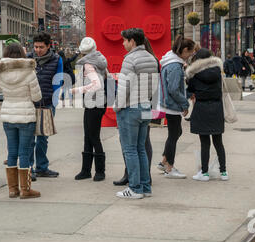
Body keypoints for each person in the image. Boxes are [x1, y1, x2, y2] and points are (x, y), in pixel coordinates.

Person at [0, 43, 42, 199]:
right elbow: (37, 97)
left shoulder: (0, 73)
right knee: (24, 153)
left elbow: (0, 92)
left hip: (8, 114)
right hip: (26, 115)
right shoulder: (29, 72)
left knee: (11, 152)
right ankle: (25, 189)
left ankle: (13, 189)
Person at [113, 28, 158, 199]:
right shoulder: (151, 58)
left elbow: (124, 88)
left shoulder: (129, 59)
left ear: (132, 41)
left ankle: (135, 188)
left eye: (124, 41)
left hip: (130, 108)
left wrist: (117, 107)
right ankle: (145, 186)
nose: (123, 44)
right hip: (146, 107)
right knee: (141, 148)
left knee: (130, 149)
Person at [186, 48, 228, 182]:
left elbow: (190, 89)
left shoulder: (194, 74)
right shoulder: (217, 72)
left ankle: (204, 173)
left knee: (204, 143)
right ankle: (224, 172)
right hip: (216, 107)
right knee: (218, 142)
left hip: (202, 108)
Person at [156, 37, 196, 179]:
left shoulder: (170, 61)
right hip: (171, 105)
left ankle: (164, 162)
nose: (190, 56)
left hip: (168, 103)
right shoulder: (174, 66)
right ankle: (169, 167)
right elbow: (174, 89)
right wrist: (184, 104)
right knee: (174, 134)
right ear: (184, 50)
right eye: (190, 53)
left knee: (176, 132)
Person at [27, 32, 63, 180]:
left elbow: (59, 80)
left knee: (43, 137)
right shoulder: (28, 59)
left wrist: (54, 101)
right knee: (29, 138)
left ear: (49, 46)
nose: (38, 50)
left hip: (47, 103)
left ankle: (42, 167)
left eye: (41, 47)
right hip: (29, 103)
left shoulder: (56, 59)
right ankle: (28, 168)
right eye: (36, 47)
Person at [71, 37, 108, 181]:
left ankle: (99, 171)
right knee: (89, 136)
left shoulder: (88, 65)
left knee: (92, 136)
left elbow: (97, 84)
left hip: (94, 103)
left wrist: (77, 90)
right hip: (97, 102)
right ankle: (86, 170)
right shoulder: (99, 61)